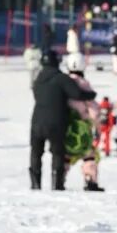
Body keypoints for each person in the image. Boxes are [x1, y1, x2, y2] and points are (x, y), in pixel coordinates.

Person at [29, 50, 96, 190]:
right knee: (57, 153)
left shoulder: (37, 80)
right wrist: (91, 94)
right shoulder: (62, 78)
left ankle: (35, 184)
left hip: (37, 121)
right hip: (56, 121)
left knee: (36, 152)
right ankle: (57, 184)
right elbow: (77, 94)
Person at [65, 55, 105, 191]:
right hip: (82, 127)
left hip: (66, 127)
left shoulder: (63, 82)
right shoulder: (84, 84)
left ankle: (59, 178)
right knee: (89, 154)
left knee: (66, 155)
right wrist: (97, 127)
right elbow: (93, 110)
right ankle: (90, 180)